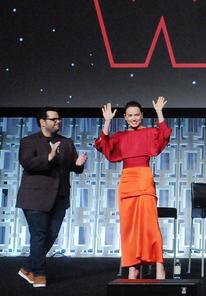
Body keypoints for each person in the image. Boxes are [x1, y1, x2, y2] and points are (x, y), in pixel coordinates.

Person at [95, 96, 171, 280]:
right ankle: (132, 266)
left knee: (150, 226)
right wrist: (107, 122)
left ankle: (159, 264)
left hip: (144, 178)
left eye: (136, 115)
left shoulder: (150, 132)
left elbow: (164, 135)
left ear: (142, 115)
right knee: (128, 228)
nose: (134, 118)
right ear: (125, 117)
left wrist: (160, 112)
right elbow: (103, 145)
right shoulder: (120, 136)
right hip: (127, 181)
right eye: (130, 115)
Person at [16, 107, 88, 288]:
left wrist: (78, 165)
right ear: (42, 122)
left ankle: (29, 268)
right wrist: (48, 157)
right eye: (54, 119)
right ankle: (39, 274)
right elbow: (27, 163)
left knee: (51, 235)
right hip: (35, 196)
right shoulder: (29, 141)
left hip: (59, 196)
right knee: (39, 235)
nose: (58, 122)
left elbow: (73, 167)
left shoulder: (66, 142)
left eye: (59, 119)